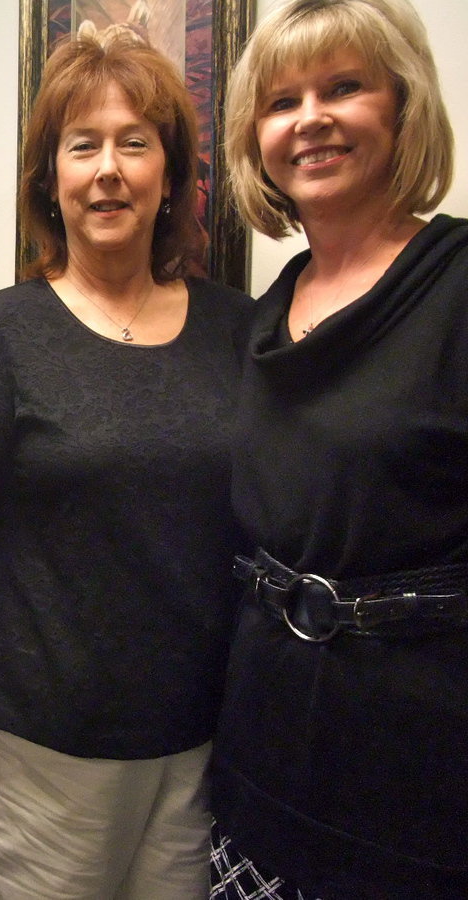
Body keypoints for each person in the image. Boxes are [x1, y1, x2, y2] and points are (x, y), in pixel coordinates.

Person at [0, 28, 251, 900]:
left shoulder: (237, 329)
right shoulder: (2, 333)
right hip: (44, 737)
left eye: (135, 143)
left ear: (171, 176)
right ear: (51, 180)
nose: (108, 169)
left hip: (199, 735)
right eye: (84, 146)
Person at [208, 1, 467, 896]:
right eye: (281, 102)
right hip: (263, 758)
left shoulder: (460, 284)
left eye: (344, 87)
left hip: (421, 780)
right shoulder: (265, 314)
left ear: (403, 107)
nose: (309, 118)